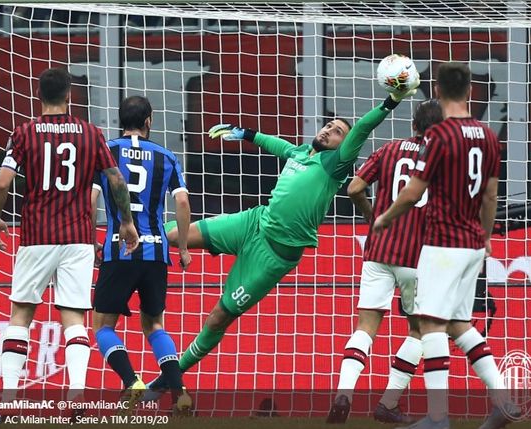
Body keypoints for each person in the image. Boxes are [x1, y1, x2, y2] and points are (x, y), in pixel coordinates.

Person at [144, 74, 420, 395]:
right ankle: (132, 238)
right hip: (254, 223)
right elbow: (281, 146)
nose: (329, 131)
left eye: (337, 132)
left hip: (274, 257)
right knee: (176, 234)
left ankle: (171, 376)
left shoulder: (336, 164)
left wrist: (391, 101)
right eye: (328, 126)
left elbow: (361, 129)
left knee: (219, 316)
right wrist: (247, 133)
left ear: (344, 145)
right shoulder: (303, 153)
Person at [373, 62, 520, 429]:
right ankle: (503, 401)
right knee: (459, 323)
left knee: (430, 325)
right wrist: (485, 238)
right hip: (472, 244)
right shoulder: (488, 136)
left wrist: (385, 218)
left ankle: (438, 417)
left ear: (436, 91)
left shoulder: (439, 136)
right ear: (470, 91)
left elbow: (413, 190)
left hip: (442, 243)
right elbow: (490, 196)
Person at [0, 67, 139, 405]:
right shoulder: (91, 133)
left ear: (39, 95)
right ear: (70, 94)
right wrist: (126, 221)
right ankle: (76, 393)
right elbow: (115, 179)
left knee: (21, 314)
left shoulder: (24, 133)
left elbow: (1, 183)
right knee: (74, 317)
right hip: (78, 237)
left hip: (37, 235)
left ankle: (10, 397)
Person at [327, 99, 444, 424]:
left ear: (414, 125)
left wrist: (373, 216)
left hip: (378, 251)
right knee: (419, 330)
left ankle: (344, 393)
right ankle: (389, 402)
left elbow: (354, 188)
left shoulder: (389, 150)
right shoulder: (442, 159)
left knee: (365, 327)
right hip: (417, 255)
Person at [90, 95, 193, 415]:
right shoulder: (166, 156)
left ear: (121, 119)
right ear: (149, 120)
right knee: (155, 325)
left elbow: (90, 199)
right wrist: (184, 247)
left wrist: (93, 239)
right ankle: (180, 394)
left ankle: (131, 381)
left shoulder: (106, 150)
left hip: (118, 250)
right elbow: (183, 203)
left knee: (103, 326)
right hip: (155, 252)